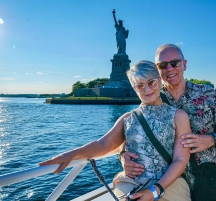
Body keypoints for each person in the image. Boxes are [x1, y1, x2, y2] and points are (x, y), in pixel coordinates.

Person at [39, 60, 191, 201]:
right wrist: (71, 154)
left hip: (169, 185)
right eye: (140, 85)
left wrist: (154, 190)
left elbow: (180, 159)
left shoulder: (178, 116)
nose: (147, 89)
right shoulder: (128, 119)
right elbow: (103, 144)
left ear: (159, 81)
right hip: (131, 184)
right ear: (134, 88)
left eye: (151, 82)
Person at [120, 44, 216, 187]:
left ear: (184, 64)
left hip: (210, 178)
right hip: (171, 183)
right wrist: (123, 156)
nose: (169, 69)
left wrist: (211, 140)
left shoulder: (207, 94)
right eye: (162, 65)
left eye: (174, 63)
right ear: (158, 70)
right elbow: (131, 131)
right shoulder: (151, 95)